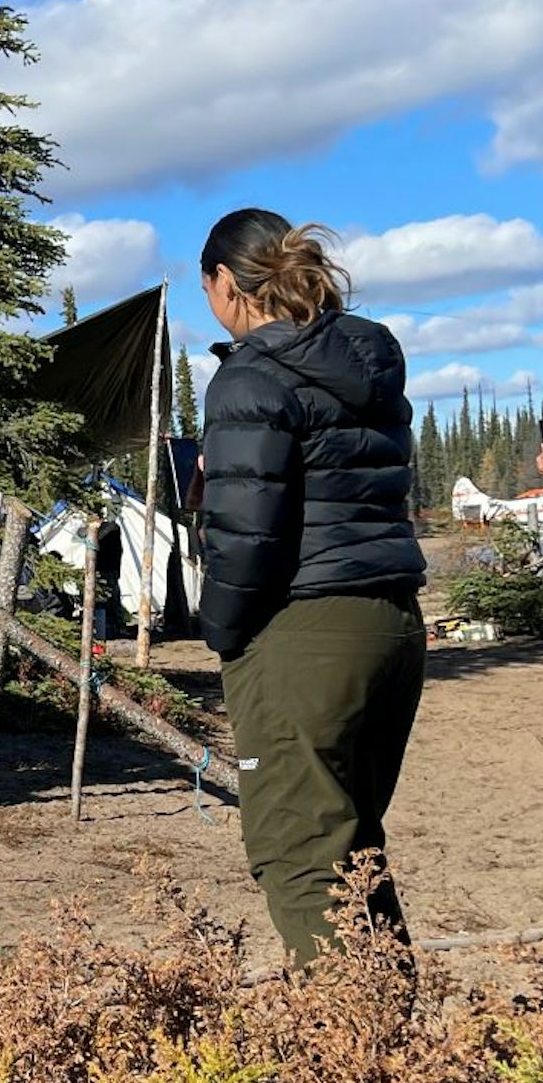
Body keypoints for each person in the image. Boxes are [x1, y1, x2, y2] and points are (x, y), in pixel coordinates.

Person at [197, 212, 426, 965]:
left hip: (307, 629)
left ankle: (350, 1054)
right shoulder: (371, 363)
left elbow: (246, 532)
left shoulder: (251, 377)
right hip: (392, 620)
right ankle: (392, 1041)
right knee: (350, 845)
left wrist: (226, 633)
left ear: (225, 283)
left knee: (299, 851)